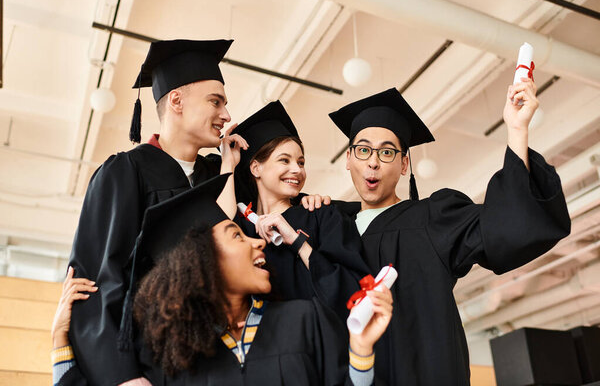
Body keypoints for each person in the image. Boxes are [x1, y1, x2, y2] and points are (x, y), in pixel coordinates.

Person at [328, 80, 571, 385]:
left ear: (404, 164)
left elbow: (506, 226)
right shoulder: (330, 230)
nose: (373, 162)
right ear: (348, 159)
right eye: (362, 150)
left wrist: (517, 130)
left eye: (387, 152)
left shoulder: (433, 218)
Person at [53, 174, 393, 386]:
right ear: (200, 262)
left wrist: (361, 350)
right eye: (236, 236)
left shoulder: (307, 319)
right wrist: (60, 341)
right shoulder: (169, 358)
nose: (257, 241)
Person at [67, 39, 249, 386]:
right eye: (216, 101)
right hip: (147, 366)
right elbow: (97, 281)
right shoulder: (125, 172)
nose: (226, 115)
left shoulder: (219, 175)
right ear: (176, 100)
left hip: (219, 364)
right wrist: (122, 375)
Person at [227, 101, 370, 319]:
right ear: (256, 168)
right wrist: (227, 164)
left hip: (320, 341)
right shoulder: (241, 229)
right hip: (261, 346)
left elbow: (353, 291)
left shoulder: (322, 215)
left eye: (301, 162)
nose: (297, 170)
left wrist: (297, 242)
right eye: (284, 160)